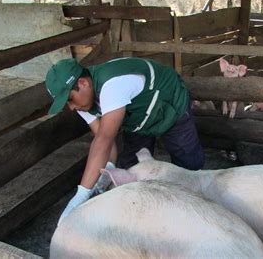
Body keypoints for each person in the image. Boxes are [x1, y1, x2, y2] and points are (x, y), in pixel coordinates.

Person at [45, 57, 205, 223]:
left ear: (83, 83)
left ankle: (198, 214)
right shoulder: (83, 103)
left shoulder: (113, 85)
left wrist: (82, 194)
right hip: (137, 119)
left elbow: (103, 141)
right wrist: (109, 166)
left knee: (187, 162)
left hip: (169, 101)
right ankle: (146, 213)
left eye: (70, 99)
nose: (71, 107)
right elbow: (107, 142)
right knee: (131, 166)